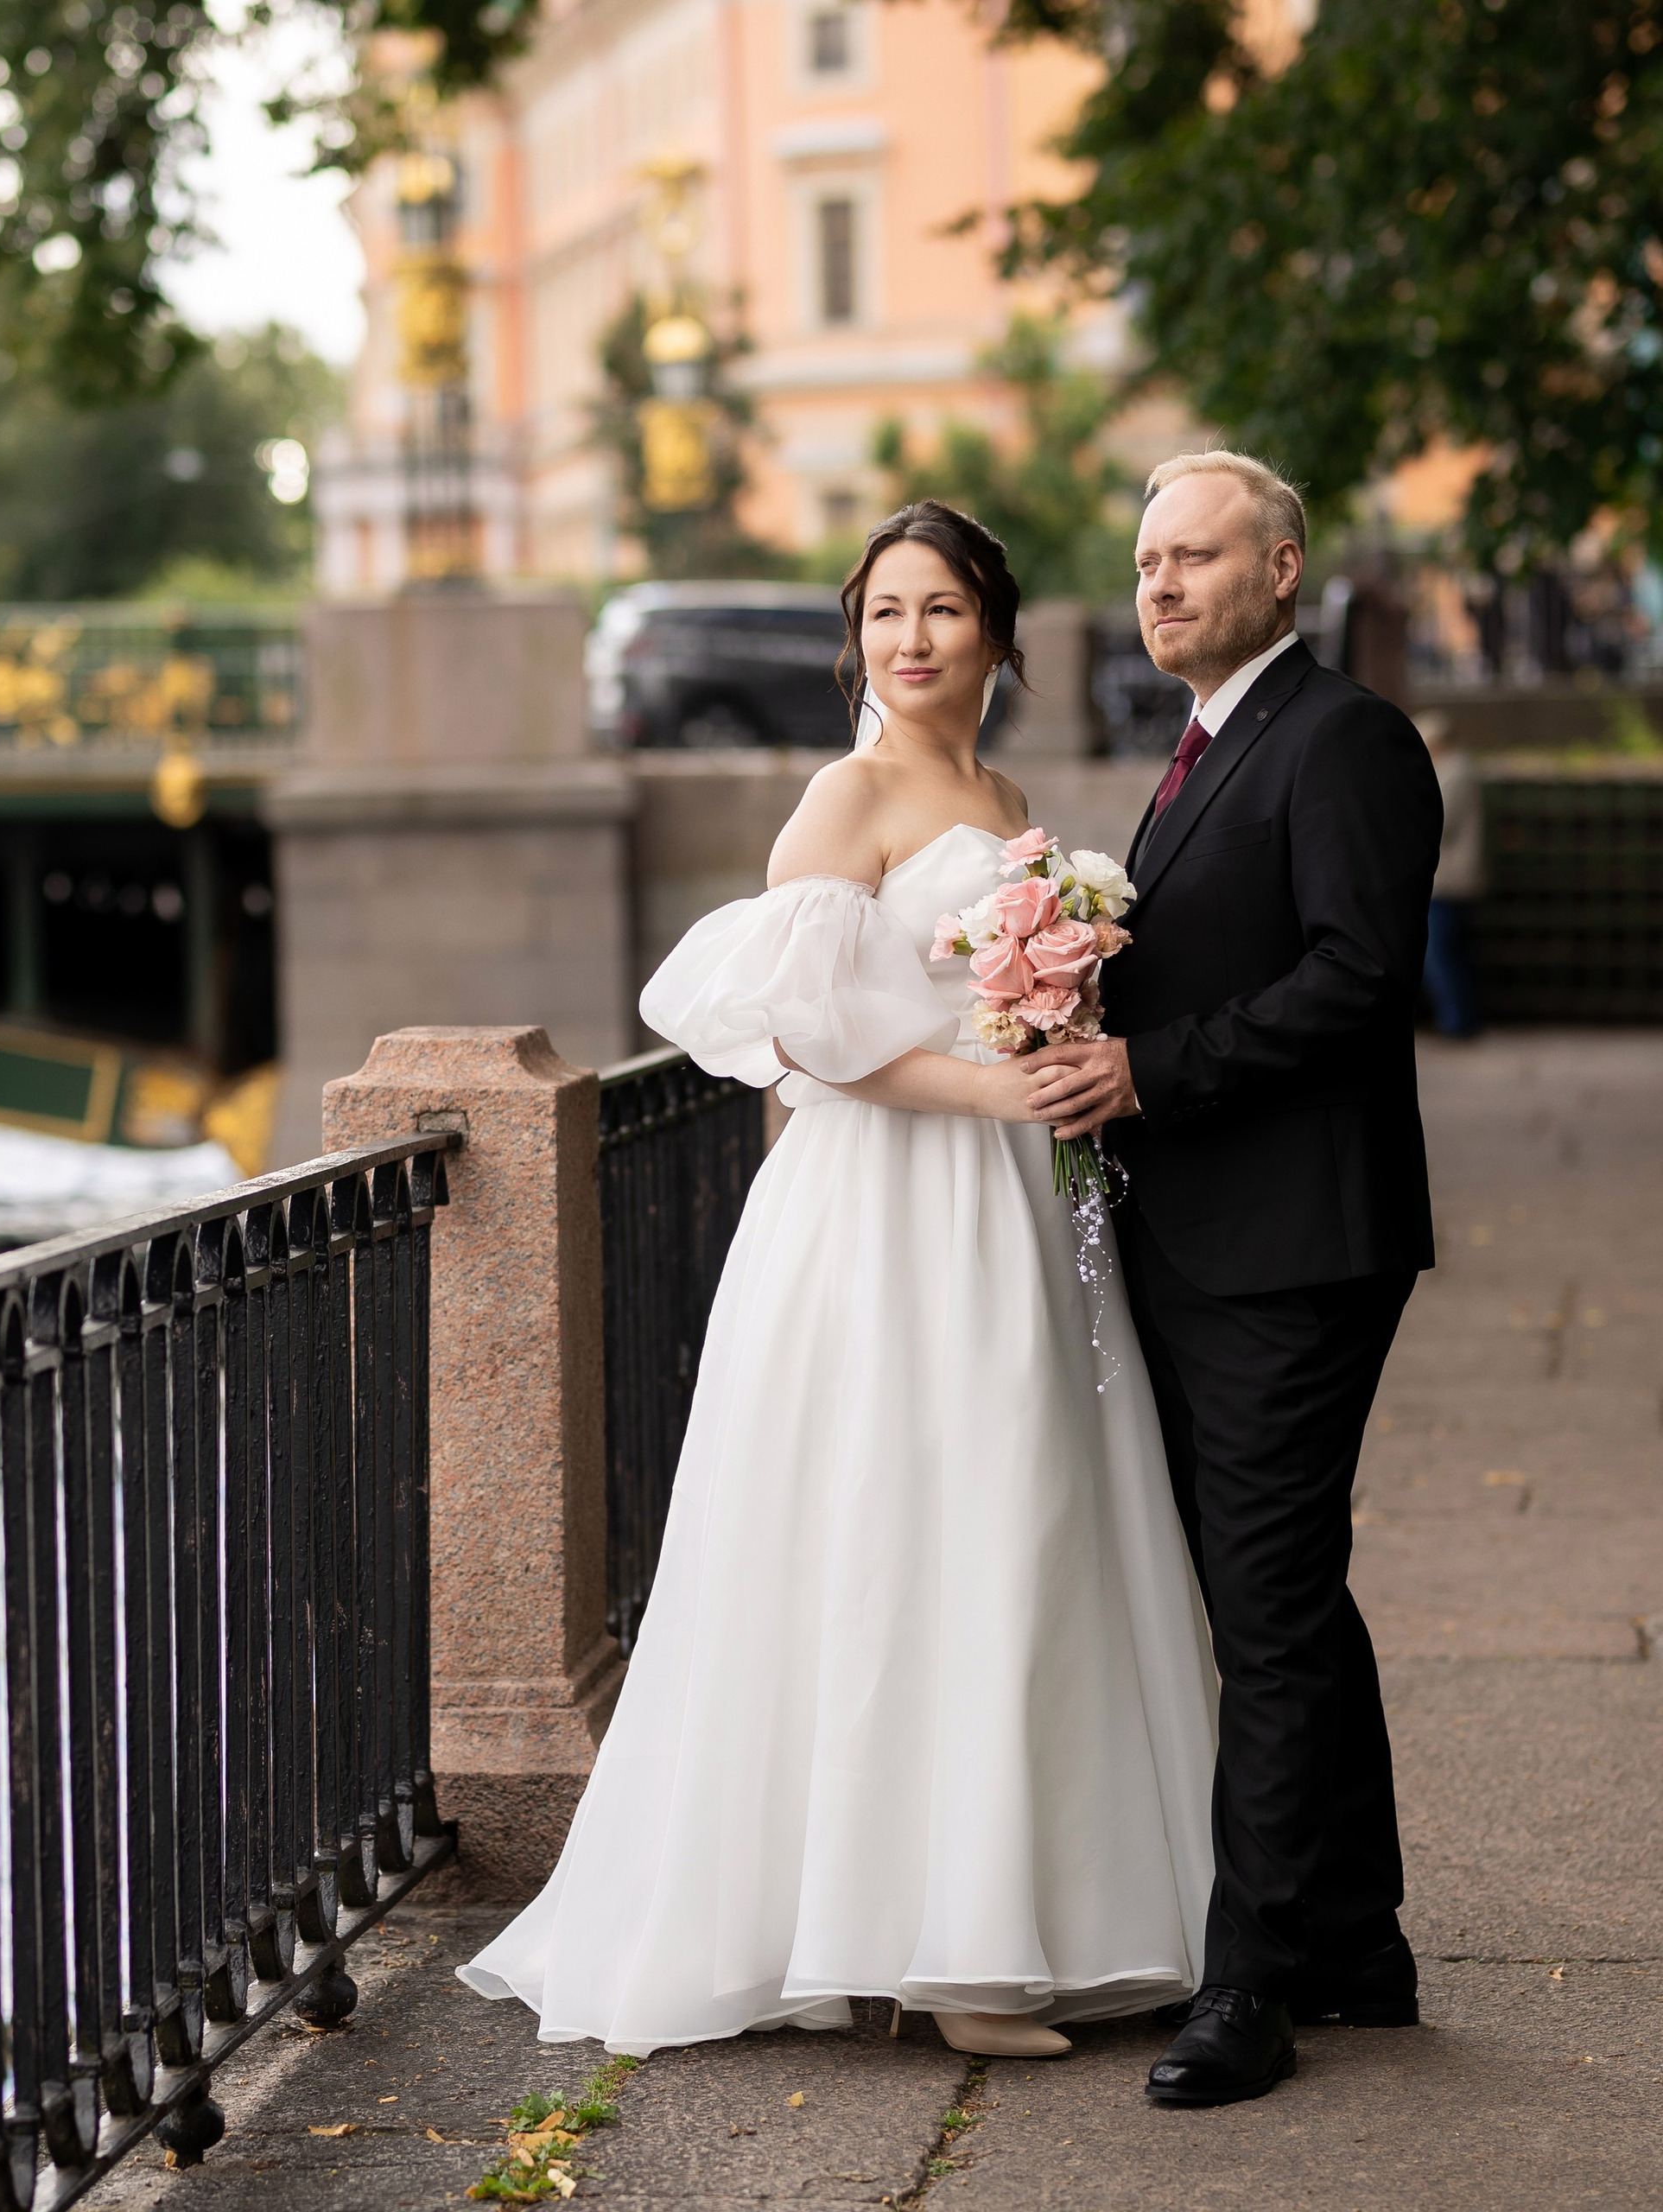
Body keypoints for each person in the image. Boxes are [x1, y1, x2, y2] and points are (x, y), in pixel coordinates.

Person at [458, 501, 1218, 2062]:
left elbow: (973, 1006)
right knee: (889, 1524)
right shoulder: (847, 791)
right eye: (885, 613)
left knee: (1022, 1518)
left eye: (943, 611)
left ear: (997, 636)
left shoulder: (1005, 795)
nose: (914, 639)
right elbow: (810, 1045)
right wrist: (994, 1090)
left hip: (1011, 1201)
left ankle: (995, 1920)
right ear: (854, 638)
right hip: (885, 1206)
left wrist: (1046, 1049)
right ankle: (928, 1948)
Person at [1027, 452, 1441, 2107]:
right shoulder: (1204, 747)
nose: (1163, 585)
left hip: (1295, 1245)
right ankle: (1356, 1942)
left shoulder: (1344, 739)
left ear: (1282, 571)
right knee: (1287, 1601)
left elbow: (1358, 977)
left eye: (1197, 556)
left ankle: (1250, 1983)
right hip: (1208, 1236)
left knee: (1262, 1612)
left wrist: (1149, 1070)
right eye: (1144, 562)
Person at [1419, 712, 1485, 1037]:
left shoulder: (1454, 772)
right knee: (1449, 954)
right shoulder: (1455, 769)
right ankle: (1458, 1018)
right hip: (1451, 882)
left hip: (1448, 883)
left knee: (1441, 955)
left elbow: (1439, 823)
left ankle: (1457, 1022)